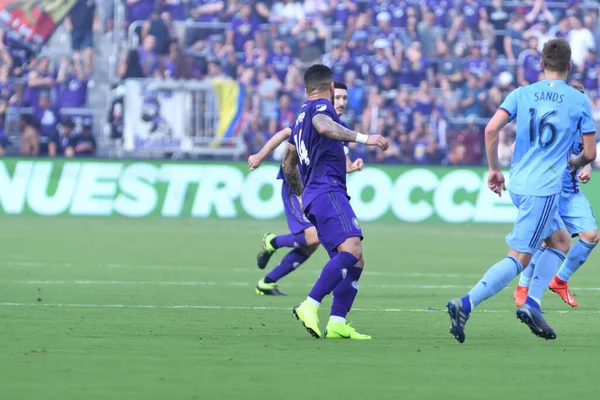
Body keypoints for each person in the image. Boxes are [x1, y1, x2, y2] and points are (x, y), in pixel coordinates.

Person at [446, 38, 596, 343]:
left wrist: (494, 169)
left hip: (519, 182)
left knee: (560, 240)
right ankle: (466, 303)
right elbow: (590, 154)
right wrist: (575, 161)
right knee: (520, 257)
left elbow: (491, 129)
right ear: (569, 66)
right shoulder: (578, 100)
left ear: (541, 64)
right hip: (543, 188)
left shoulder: (522, 93)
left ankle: (532, 304)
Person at [284, 64, 388, 339]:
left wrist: (302, 195)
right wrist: (366, 138)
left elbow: (287, 164)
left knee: (356, 260)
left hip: (316, 195)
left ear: (306, 89)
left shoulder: (298, 120)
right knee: (352, 251)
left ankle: (338, 322)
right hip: (329, 191)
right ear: (330, 88)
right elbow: (324, 126)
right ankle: (309, 305)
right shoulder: (322, 110)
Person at [249, 82, 364, 296]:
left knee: (311, 244)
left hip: (316, 189)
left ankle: (267, 282)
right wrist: (259, 156)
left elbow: (340, 164)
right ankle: (272, 241)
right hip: (297, 186)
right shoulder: (314, 117)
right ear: (328, 95)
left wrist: (352, 167)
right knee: (314, 237)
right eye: (337, 97)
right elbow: (284, 134)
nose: (341, 102)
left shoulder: (338, 126)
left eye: (344, 99)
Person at [514, 134, 598, 308]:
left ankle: (560, 281)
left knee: (591, 236)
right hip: (547, 191)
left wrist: (586, 166)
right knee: (547, 241)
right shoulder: (547, 119)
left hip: (571, 193)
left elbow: (584, 150)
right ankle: (523, 287)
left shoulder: (580, 120)